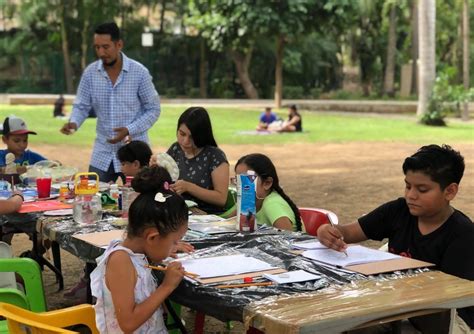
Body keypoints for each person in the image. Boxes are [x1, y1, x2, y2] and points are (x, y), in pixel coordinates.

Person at [317, 144, 474, 333]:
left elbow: (448, 296)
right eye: (408, 186)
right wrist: (329, 231)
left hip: (446, 319)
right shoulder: (398, 211)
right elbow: (349, 232)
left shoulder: (462, 234)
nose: (411, 195)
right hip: (398, 308)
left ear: (450, 191)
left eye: (422, 189)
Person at [90, 165, 188, 333]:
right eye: (174, 241)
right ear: (152, 238)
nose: (175, 246)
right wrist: (167, 286)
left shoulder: (138, 253)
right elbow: (128, 324)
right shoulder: (120, 261)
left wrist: (166, 247)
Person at [60, 21, 160, 183]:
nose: (101, 52)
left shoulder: (139, 72)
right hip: (103, 152)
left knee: (138, 200)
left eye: (105, 47)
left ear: (119, 44)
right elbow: (81, 106)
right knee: (94, 198)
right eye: (97, 47)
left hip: (135, 155)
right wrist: (73, 123)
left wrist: (129, 130)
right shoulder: (90, 73)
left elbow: (154, 109)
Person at [166, 107, 229, 214]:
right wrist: (155, 167)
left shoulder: (215, 156)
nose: (185, 141)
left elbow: (221, 199)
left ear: (201, 136)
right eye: (182, 134)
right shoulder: (175, 149)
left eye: (192, 137)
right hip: (177, 212)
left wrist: (189, 187)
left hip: (206, 217)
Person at [234, 153, 302, 232]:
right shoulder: (248, 204)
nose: (240, 186)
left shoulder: (272, 204)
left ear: (267, 183)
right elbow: (224, 220)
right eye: (237, 180)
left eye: (247, 180)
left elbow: (287, 237)